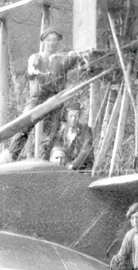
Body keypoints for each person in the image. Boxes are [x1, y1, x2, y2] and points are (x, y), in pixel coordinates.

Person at [6, 29, 87, 161]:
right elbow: (31, 67)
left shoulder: (61, 59)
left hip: (55, 99)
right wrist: (34, 71)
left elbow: (76, 59)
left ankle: (44, 160)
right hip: (38, 99)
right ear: (43, 41)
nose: (51, 43)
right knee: (23, 126)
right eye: (49, 40)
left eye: (54, 40)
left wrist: (79, 55)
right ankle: (10, 155)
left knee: (51, 133)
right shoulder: (37, 57)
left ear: (58, 42)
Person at [50, 103, 95, 169]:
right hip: (65, 166)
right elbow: (56, 146)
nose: (73, 119)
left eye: (76, 116)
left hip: (82, 167)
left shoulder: (86, 130)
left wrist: (73, 164)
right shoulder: (63, 130)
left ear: (79, 116)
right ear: (67, 116)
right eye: (71, 116)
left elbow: (85, 151)